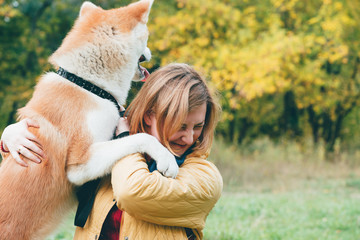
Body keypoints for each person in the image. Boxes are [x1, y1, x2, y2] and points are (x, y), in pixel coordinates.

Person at [0, 63, 223, 240]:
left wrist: (128, 139)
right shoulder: (110, 150)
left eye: (198, 126)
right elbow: (53, 169)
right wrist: (14, 135)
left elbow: (131, 191)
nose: (189, 137)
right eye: (181, 125)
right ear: (149, 115)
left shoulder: (204, 177)